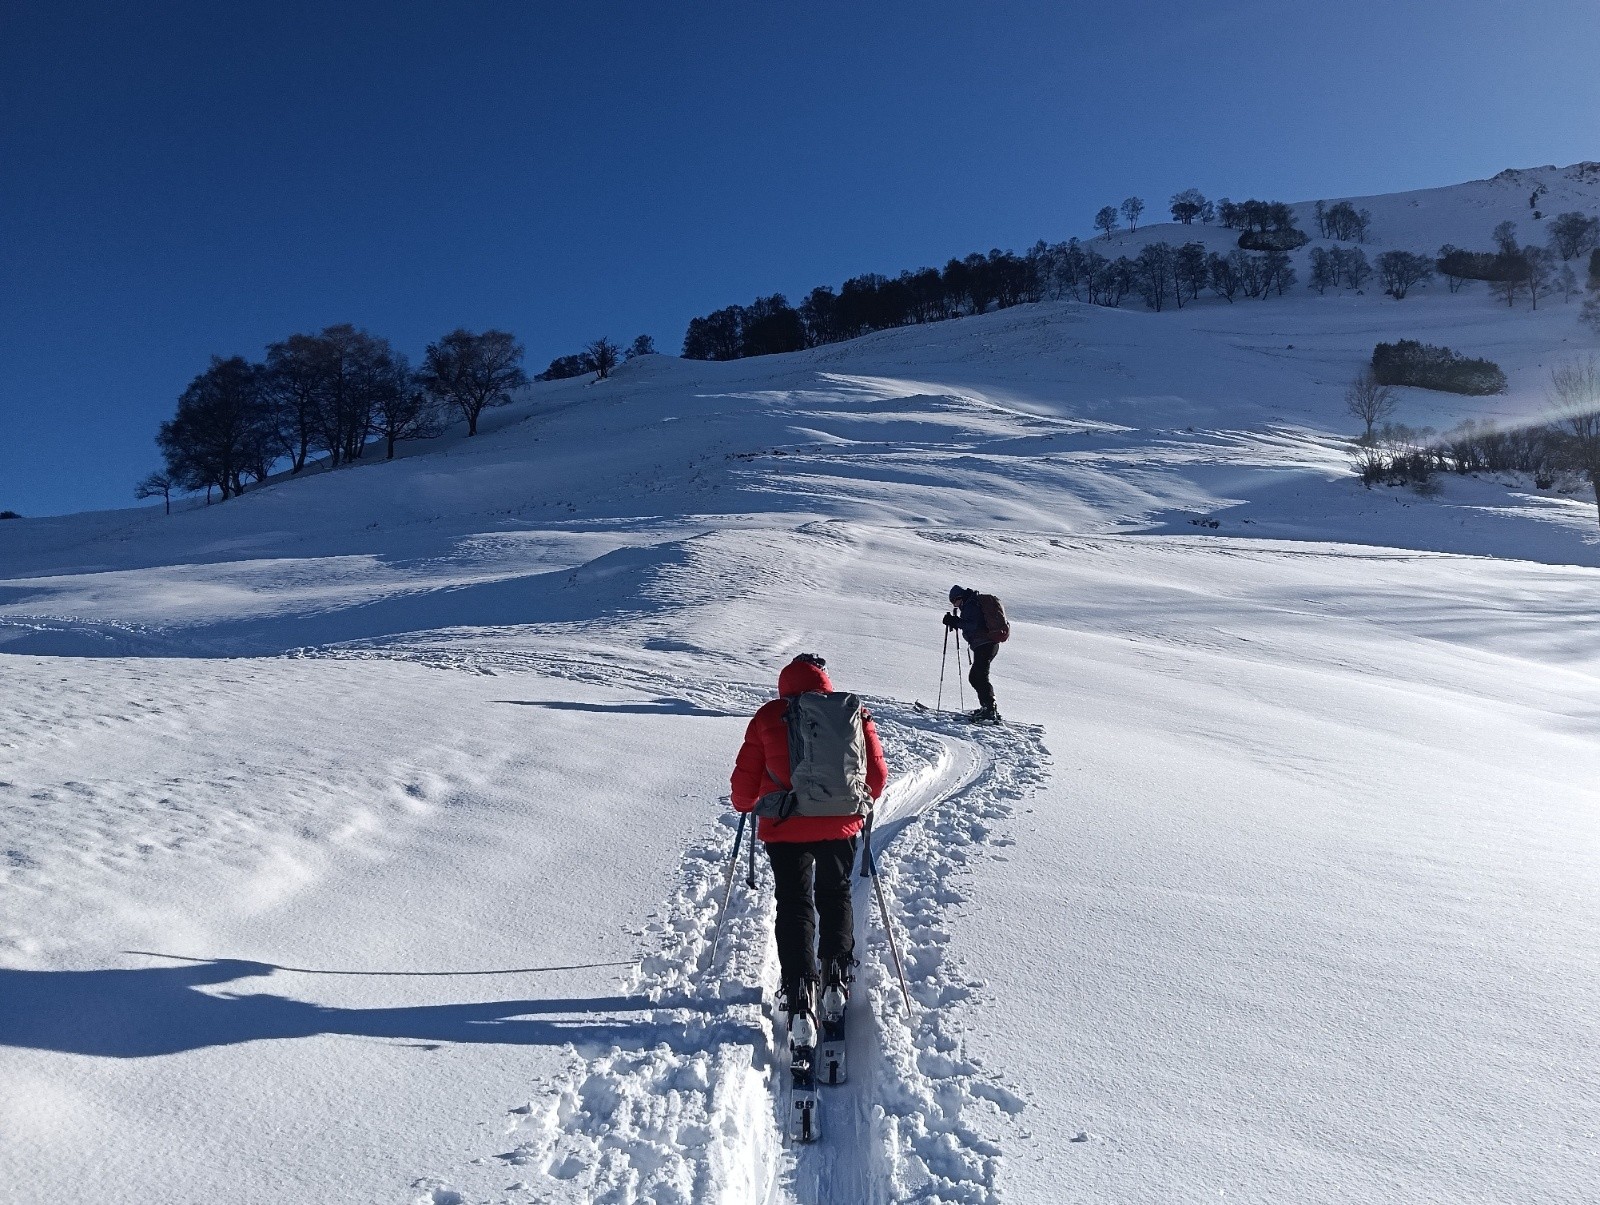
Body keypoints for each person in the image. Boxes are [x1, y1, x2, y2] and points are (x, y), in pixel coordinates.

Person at [729, 653, 888, 1026]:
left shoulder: (769, 716)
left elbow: (742, 791)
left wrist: (750, 804)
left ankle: (800, 992)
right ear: (824, 680)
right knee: (835, 895)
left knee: (795, 903)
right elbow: (877, 778)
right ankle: (835, 977)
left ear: (785, 681)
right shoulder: (853, 713)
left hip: (785, 829)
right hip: (839, 823)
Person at [944, 585, 1005, 722]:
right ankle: (987, 707)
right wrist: (957, 622)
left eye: (954, 602)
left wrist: (956, 622)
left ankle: (989, 710)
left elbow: (973, 625)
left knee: (979, 677)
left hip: (985, 645)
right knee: (977, 677)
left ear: (959, 597)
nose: (954, 605)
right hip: (985, 645)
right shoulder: (971, 603)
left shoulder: (971, 604)